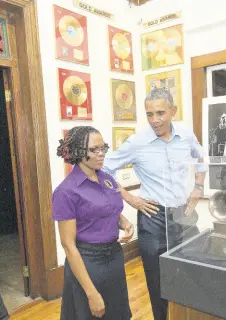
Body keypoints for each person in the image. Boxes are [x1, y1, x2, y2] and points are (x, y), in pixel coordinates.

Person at [102, 87, 207, 320]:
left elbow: (201, 159)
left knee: (194, 273)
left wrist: (198, 188)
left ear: (173, 111)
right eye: (149, 114)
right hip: (153, 219)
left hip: (184, 215)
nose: (155, 120)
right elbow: (104, 169)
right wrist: (131, 199)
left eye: (160, 113)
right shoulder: (136, 142)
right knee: (158, 281)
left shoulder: (186, 135)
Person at [52, 126, 134, 320]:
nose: (101, 154)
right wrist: (91, 293)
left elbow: (110, 209)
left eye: (102, 148)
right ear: (78, 153)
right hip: (87, 264)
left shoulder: (106, 179)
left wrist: (125, 222)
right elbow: (69, 246)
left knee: (117, 313)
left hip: (113, 258)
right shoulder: (66, 192)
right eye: (93, 150)